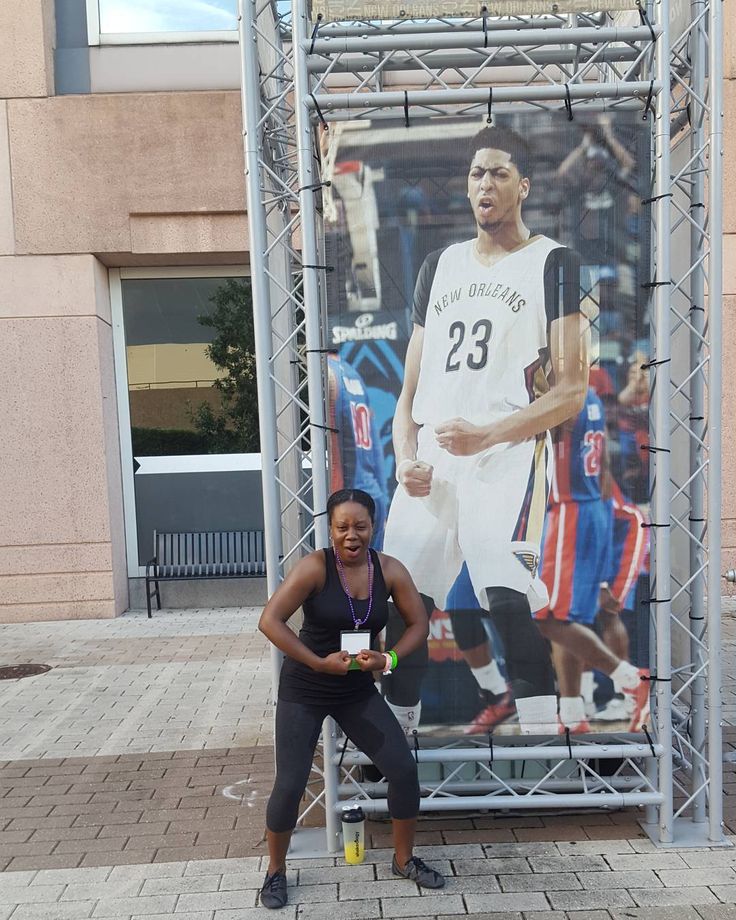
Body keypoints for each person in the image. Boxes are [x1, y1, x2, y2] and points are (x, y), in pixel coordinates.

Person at [382, 124, 591, 714]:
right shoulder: (438, 265)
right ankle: (392, 748)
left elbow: (572, 390)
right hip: (434, 461)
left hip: (505, 452)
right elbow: (407, 396)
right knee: (404, 610)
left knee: (506, 599)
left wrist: (488, 433)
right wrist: (405, 461)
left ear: (523, 185)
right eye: (477, 173)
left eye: (500, 173)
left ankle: (547, 748)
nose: (486, 184)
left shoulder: (555, 263)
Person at [258, 489, 444, 909]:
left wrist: (389, 657)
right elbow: (270, 620)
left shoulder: (391, 570)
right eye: (342, 527)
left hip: (356, 688)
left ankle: (403, 860)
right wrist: (317, 662)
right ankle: (275, 872)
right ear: (330, 529)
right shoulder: (314, 567)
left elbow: (419, 623)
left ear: (373, 527)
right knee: (289, 785)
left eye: (360, 526)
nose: (351, 535)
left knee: (402, 769)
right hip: (306, 686)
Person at [533, 387, 649, 733]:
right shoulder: (592, 396)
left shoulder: (562, 394)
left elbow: (527, 429)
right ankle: (572, 711)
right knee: (569, 618)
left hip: (575, 510)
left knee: (545, 616)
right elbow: (604, 468)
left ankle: (630, 680)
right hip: (591, 509)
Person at [327, 350, 389, 546]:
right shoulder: (353, 373)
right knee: (376, 567)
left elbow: (335, 447)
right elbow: (375, 443)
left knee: (351, 572)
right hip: (373, 491)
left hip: (350, 498)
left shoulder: (328, 374)